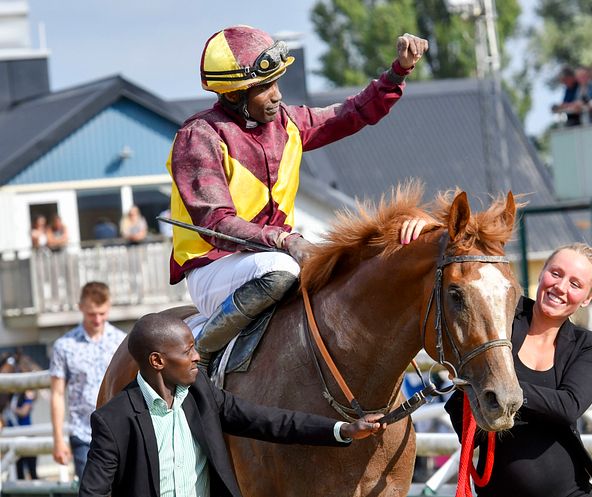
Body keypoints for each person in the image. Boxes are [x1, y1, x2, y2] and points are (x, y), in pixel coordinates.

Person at [167, 25, 429, 368]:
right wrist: (284, 240)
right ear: (233, 95)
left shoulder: (288, 123)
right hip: (213, 267)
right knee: (282, 267)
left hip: (272, 255)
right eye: (264, 87)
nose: (277, 95)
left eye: (276, 83)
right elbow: (216, 223)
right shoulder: (198, 136)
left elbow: (351, 114)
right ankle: (199, 359)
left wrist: (397, 73)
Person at [400, 223, 592, 497]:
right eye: (555, 273)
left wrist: (502, 388)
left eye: (575, 284)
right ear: (542, 273)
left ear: (587, 298)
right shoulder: (503, 314)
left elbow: (568, 406)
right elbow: (466, 254)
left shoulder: (589, 345)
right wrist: (428, 229)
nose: (560, 286)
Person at [78, 313, 385, 497]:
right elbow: (93, 493)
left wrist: (344, 429)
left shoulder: (201, 393)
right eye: (187, 351)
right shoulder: (113, 420)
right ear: (158, 361)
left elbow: (267, 421)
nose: (197, 356)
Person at [49, 282, 126, 479]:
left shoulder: (122, 342)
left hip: (120, 430)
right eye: (92, 314)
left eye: (102, 313)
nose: (98, 320)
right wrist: (58, 439)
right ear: (81, 307)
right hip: (83, 433)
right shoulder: (64, 346)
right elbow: (57, 394)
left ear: (109, 307)